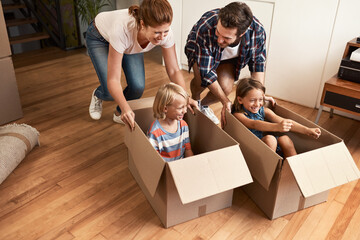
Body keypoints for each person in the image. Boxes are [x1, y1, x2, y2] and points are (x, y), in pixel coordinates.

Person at [86, 0, 197, 130]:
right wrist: (126, 108)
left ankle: (118, 114)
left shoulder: (164, 33)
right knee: (109, 90)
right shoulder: (122, 30)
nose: (162, 37)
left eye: (165, 31)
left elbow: (173, 70)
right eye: (157, 32)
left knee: (137, 86)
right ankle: (98, 94)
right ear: (143, 24)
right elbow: (114, 79)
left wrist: (185, 98)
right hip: (99, 36)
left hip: (128, 43)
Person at [185, 1, 274, 127]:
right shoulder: (206, 27)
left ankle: (203, 105)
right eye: (218, 33)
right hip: (200, 50)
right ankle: (195, 98)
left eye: (226, 37)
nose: (220, 40)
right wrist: (225, 101)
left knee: (226, 88)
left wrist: (260, 95)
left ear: (241, 34)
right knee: (200, 80)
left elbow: (257, 65)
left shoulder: (257, 32)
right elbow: (207, 72)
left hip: (231, 58)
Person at [232, 78, 321, 158]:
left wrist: (307, 130)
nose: (257, 104)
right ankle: (273, 171)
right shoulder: (238, 115)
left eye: (260, 99)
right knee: (270, 139)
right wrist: (277, 127)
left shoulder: (264, 111)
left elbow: (285, 122)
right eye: (252, 100)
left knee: (285, 139)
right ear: (240, 100)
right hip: (253, 149)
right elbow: (254, 124)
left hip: (268, 148)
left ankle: (294, 167)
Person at [147, 83, 194, 161]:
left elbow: (188, 149)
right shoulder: (154, 132)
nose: (185, 111)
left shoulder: (183, 125)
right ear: (165, 109)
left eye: (185, 106)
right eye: (180, 108)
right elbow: (154, 161)